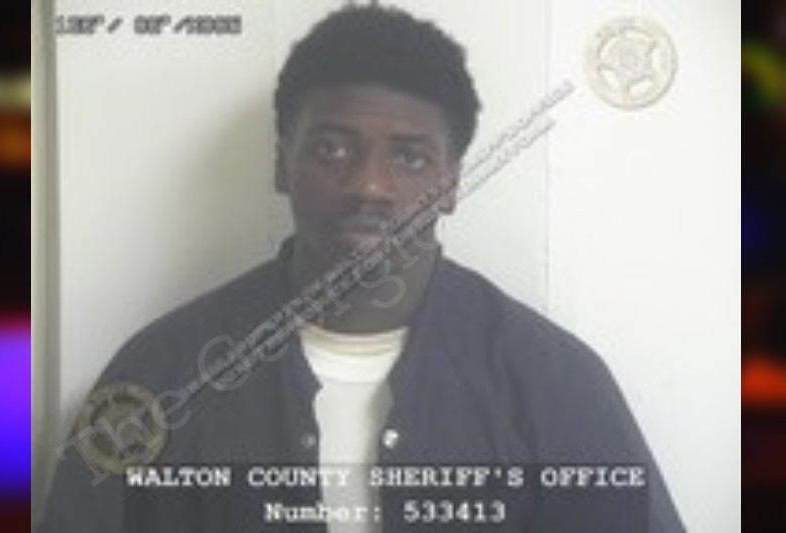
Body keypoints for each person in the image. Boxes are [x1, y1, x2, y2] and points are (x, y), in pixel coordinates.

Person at [39, 5, 685, 532]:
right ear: (281, 165)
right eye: (332, 148)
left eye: (410, 157)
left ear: (451, 184)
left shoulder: (554, 382)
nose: (369, 185)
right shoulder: (159, 375)